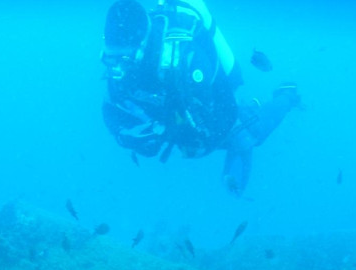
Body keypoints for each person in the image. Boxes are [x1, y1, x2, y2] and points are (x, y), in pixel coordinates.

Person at [100, 0, 299, 195]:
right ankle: (249, 111)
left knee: (249, 136)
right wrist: (124, 136)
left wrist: (167, 134)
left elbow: (222, 119)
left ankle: (287, 96)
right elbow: (110, 106)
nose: (118, 69)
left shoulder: (186, 59)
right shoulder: (122, 65)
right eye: (110, 59)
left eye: (123, 60)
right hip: (178, 115)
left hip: (214, 108)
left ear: (142, 45)